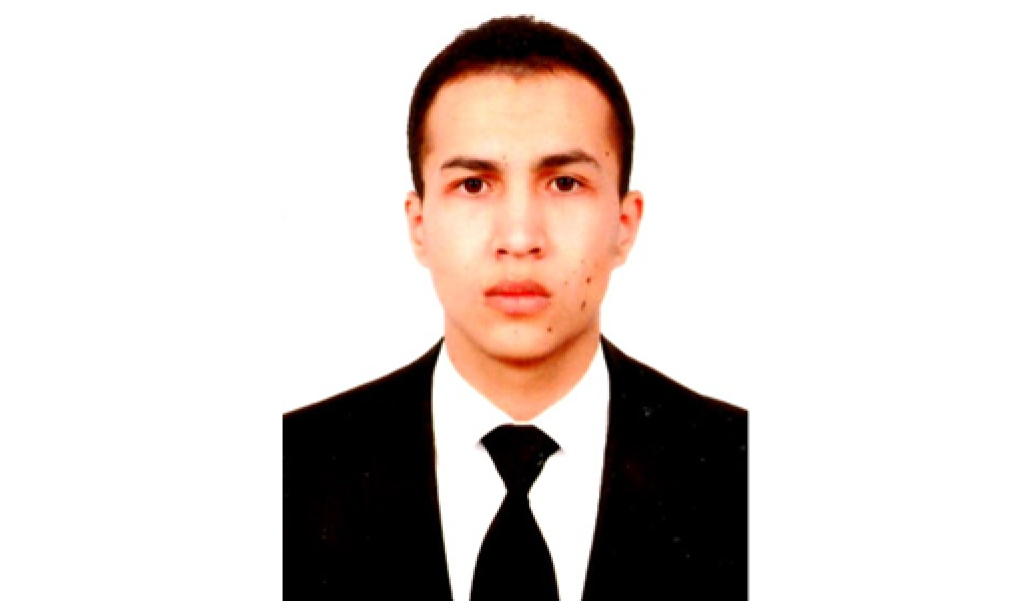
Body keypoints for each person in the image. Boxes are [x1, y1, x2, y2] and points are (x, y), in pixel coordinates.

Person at [284, 15, 746, 601]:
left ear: (625, 225)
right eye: (474, 185)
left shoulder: (743, 469)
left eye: (565, 183)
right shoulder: (288, 471)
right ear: (419, 225)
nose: (520, 237)